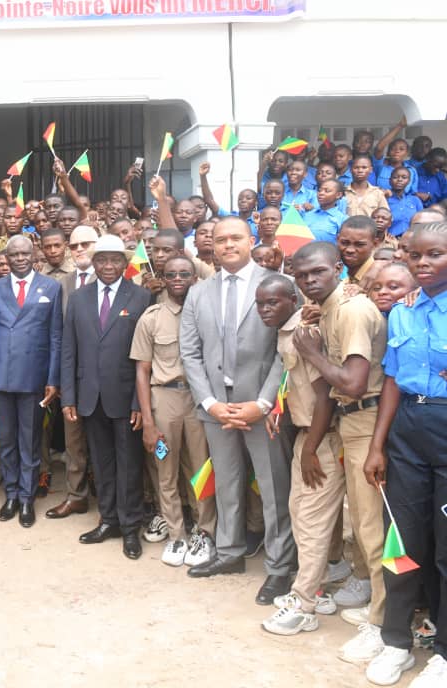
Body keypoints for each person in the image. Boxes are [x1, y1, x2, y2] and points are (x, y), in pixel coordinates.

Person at [179, 216, 295, 605]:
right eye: (220, 239)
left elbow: (286, 352)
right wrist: (210, 402)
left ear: (251, 240)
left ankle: (279, 567)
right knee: (226, 484)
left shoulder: (278, 284)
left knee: (274, 488)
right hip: (216, 407)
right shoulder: (198, 293)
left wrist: (262, 404)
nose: (228, 245)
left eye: (235, 238)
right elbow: (190, 353)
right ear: (210, 244)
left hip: (261, 409)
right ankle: (229, 553)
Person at [290, 240, 390, 664]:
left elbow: (350, 381)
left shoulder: (349, 309)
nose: (310, 280)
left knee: (370, 528)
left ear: (337, 267)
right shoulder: (332, 307)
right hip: (353, 422)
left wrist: (310, 351)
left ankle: (385, 625)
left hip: (366, 420)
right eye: (302, 275)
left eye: (318, 272)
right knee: (365, 525)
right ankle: (381, 608)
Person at [362, 221, 447, 687]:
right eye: (416, 255)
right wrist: (377, 445)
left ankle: (444, 651)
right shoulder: (403, 312)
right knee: (404, 544)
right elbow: (392, 380)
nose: (424, 263)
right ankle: (396, 640)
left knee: (445, 550)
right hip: (408, 430)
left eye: (435, 254)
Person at [256, 274, 345, 636]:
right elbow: (295, 382)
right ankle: (319, 586)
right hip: (306, 434)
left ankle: (304, 603)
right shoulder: (286, 328)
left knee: (309, 521)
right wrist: (280, 407)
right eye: (260, 303)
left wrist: (310, 449)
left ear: (293, 299)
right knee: (305, 513)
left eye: (273, 302)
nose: (265, 309)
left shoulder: (306, 330)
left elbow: (324, 396)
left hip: (320, 438)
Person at [61, 234, 150, 558]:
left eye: (115, 260)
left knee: (129, 464)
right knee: (101, 463)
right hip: (89, 396)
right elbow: (68, 349)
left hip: (126, 398)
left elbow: (145, 358)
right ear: (93, 262)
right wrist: (68, 396)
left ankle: (130, 528)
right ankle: (109, 519)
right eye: (102, 260)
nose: (109, 266)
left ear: (125, 264)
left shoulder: (141, 297)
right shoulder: (79, 297)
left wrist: (139, 403)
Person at [131, 256, 217, 567]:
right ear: (163, 279)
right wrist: (149, 423)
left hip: (198, 401)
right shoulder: (150, 318)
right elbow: (142, 371)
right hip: (164, 401)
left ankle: (204, 532)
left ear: (195, 277)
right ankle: (176, 535)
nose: (177, 278)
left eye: (184, 273)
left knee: (200, 470)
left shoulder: (206, 313)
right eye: (171, 274)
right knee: (165, 469)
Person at [0, 235, 63, 527]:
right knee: (5, 441)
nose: (18, 259)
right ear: (6, 257)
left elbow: (56, 337)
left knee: (29, 441)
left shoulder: (51, 288)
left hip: (34, 377)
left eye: (24, 254)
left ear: (34, 255)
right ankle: (12, 494)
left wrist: (53, 378)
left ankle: (27, 498)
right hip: (0, 376)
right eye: (13, 254)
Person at [46, 225, 98, 519]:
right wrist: (60, 379)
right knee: (73, 441)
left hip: (105, 378)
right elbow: (58, 335)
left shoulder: (121, 277)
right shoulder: (63, 284)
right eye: (75, 246)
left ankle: (108, 498)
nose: (79, 250)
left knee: (103, 442)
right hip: (73, 377)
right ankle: (76, 496)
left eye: (86, 244)